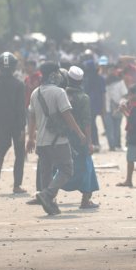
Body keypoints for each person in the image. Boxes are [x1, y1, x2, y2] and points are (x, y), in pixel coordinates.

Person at [27, 62, 87, 215]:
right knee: (67, 169)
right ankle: (47, 195)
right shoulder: (59, 92)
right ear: (54, 74)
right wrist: (79, 133)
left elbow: (31, 116)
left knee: (46, 171)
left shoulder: (35, 93)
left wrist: (30, 138)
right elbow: (67, 115)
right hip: (58, 140)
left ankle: (50, 204)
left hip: (41, 140)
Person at [0, 53, 26, 194]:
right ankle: (17, 185)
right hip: (16, 123)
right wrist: (23, 127)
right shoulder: (19, 84)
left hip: (2, 122)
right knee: (19, 154)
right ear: (14, 67)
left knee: (0, 150)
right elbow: (21, 108)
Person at [60, 66, 99, 208]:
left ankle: (49, 193)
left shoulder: (61, 94)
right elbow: (87, 122)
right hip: (80, 137)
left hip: (63, 136)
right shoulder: (83, 98)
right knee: (87, 166)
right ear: (81, 81)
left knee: (60, 166)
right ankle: (85, 200)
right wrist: (89, 142)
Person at [82, 60, 106, 152]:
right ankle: (94, 143)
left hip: (91, 104)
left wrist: (103, 106)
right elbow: (103, 93)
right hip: (95, 104)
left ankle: (93, 143)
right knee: (92, 124)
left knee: (90, 124)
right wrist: (103, 106)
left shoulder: (87, 79)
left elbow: (103, 93)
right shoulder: (99, 78)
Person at [104, 66, 128, 151]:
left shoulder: (120, 82)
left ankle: (117, 145)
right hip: (107, 109)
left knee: (117, 127)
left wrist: (120, 104)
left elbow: (125, 95)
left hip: (117, 108)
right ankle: (112, 146)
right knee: (109, 128)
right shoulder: (104, 83)